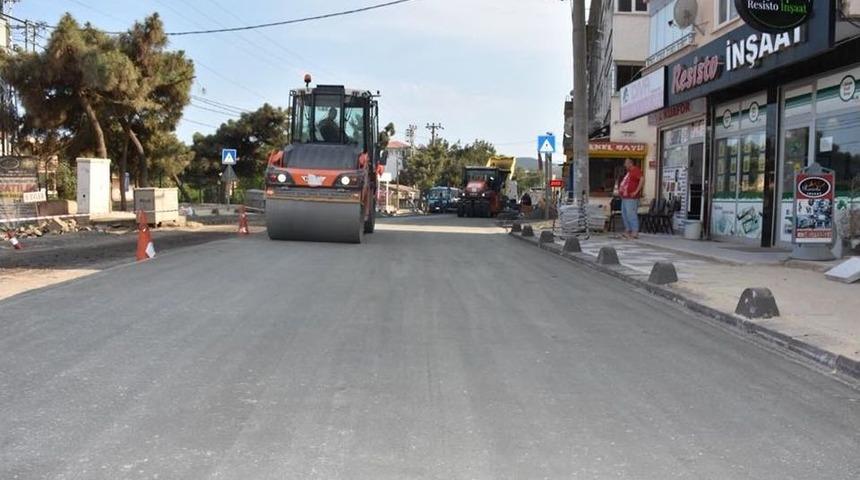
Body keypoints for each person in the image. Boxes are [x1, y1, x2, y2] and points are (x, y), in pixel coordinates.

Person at [618, 158, 643, 239]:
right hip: (625, 197)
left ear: (630, 163)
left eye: (626, 163)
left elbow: (642, 179)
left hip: (631, 197)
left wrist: (636, 191)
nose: (625, 165)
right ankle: (628, 230)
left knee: (631, 214)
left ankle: (635, 231)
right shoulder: (629, 172)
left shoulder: (636, 170)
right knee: (624, 214)